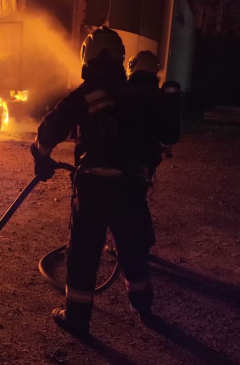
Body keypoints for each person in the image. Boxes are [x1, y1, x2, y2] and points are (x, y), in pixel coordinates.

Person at [30, 29, 178, 336]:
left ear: (86, 58)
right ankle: (143, 306)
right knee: (133, 248)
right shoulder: (136, 95)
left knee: (83, 254)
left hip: (93, 188)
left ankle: (77, 318)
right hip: (130, 187)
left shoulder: (84, 95)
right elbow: (166, 133)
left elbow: (49, 130)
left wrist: (41, 158)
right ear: (122, 59)